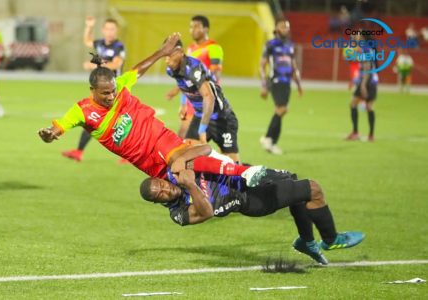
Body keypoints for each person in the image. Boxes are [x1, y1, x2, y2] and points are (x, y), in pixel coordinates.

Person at [38, 34, 266, 185]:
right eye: (105, 93)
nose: (111, 96)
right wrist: (49, 134)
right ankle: (238, 178)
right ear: (92, 90)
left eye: (113, 91)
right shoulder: (81, 110)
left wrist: (161, 52)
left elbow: (139, 69)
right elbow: (57, 130)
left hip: (157, 137)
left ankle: (242, 173)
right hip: (144, 160)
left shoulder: (120, 85)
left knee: (187, 161)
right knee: (183, 184)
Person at [140, 162, 364, 265]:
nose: (165, 190)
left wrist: (189, 153)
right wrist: (191, 185)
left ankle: (306, 241)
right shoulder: (178, 213)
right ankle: (331, 239)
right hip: (252, 200)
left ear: (161, 179)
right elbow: (206, 213)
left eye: (161, 185)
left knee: (294, 182)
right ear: (157, 202)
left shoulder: (176, 170)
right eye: (159, 195)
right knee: (312, 189)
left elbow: (203, 151)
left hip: (246, 176)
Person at [164, 39, 240, 163]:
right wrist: (183, 105)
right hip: (200, 115)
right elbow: (185, 84)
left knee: (233, 165)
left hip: (221, 118)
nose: (167, 60)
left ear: (180, 52)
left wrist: (202, 130)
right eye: (165, 56)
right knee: (187, 155)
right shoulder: (172, 69)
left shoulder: (194, 69)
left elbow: (209, 98)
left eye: (169, 55)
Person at [62, 17, 126, 162]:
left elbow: (116, 64)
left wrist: (94, 65)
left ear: (116, 31)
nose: (110, 32)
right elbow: (87, 40)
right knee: (94, 119)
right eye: (107, 29)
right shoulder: (100, 44)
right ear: (103, 30)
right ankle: (79, 151)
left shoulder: (118, 46)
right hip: (102, 91)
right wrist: (89, 27)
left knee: (118, 123)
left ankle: (131, 154)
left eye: (112, 29)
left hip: (116, 90)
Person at [166, 15, 224, 139]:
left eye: (197, 26)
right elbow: (185, 78)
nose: (193, 30)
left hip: (207, 97)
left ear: (206, 29)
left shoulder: (214, 47)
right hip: (192, 98)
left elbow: (215, 74)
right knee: (184, 135)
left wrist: (176, 90)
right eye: (191, 27)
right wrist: (183, 104)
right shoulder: (191, 48)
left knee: (198, 139)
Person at [259, 19, 302, 155]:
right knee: (282, 109)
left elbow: (293, 66)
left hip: (287, 81)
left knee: (280, 110)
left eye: (287, 27)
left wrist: (299, 84)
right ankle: (268, 138)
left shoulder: (289, 45)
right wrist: (264, 85)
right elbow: (262, 65)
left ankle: (272, 142)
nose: (285, 29)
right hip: (276, 80)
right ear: (276, 28)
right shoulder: (270, 44)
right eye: (282, 26)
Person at [346, 37, 378, 142]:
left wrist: (363, 85)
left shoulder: (365, 50)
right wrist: (354, 81)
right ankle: (370, 135)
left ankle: (357, 133)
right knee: (367, 106)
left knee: (356, 104)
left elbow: (367, 68)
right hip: (371, 81)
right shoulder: (366, 50)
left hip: (368, 82)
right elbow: (363, 69)